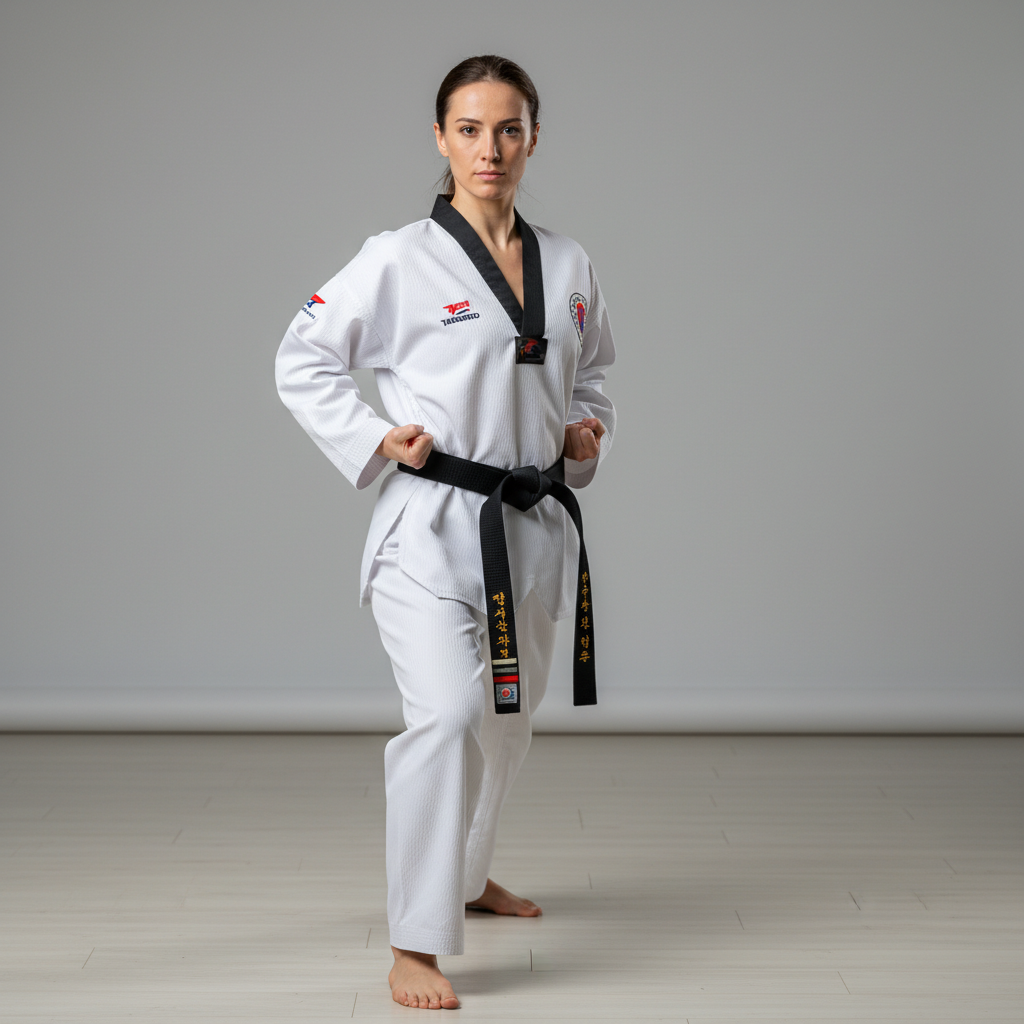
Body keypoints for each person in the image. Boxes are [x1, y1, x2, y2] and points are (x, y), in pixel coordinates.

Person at [276, 54, 616, 1010]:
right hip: (428, 526)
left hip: (532, 525)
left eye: (508, 128)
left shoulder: (572, 262)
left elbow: (593, 380)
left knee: (506, 728)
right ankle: (415, 941)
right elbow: (302, 356)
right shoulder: (396, 258)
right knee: (446, 718)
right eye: (469, 129)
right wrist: (373, 435)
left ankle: (465, 877)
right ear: (440, 139)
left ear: (533, 137)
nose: (490, 148)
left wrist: (588, 436)